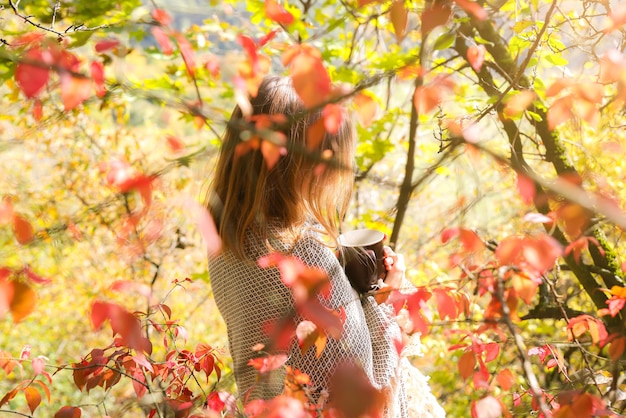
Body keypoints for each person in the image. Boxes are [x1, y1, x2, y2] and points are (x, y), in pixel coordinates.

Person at [207, 75, 438, 417]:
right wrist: (384, 299)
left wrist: (351, 293)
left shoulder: (227, 240)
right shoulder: (304, 256)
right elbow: (370, 393)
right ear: (303, 163)